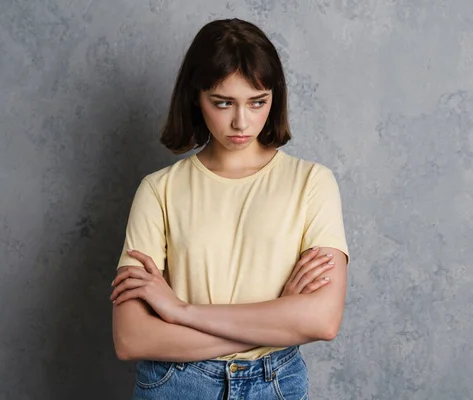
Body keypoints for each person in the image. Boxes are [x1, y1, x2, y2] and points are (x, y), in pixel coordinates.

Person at [110, 18, 350, 400]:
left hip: (276, 384)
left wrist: (181, 311)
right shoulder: (159, 190)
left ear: (275, 98)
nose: (242, 122)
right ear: (195, 97)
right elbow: (131, 337)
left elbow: (322, 321)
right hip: (177, 383)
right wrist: (279, 316)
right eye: (223, 103)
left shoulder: (312, 183)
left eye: (258, 102)